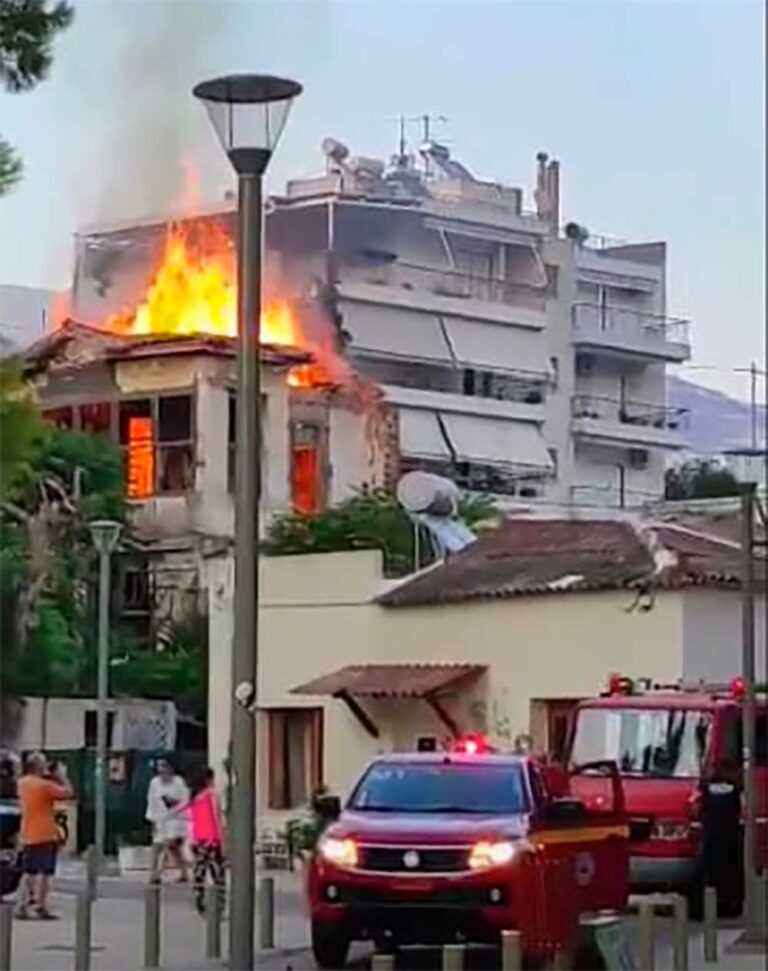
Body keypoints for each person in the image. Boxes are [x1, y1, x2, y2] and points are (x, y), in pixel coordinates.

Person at [16, 752, 72, 919]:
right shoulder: (44, 786)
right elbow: (68, 793)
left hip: (27, 832)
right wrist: (62, 776)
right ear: (39, 766)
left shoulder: (22, 783)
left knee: (29, 871)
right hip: (45, 833)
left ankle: (22, 904)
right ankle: (40, 905)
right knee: (44, 872)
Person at [184, 767, 226, 915]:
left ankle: (200, 902)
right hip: (211, 840)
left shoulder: (194, 798)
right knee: (217, 874)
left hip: (197, 841)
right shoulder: (212, 796)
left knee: (199, 872)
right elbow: (217, 819)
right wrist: (224, 841)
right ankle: (219, 906)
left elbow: (189, 820)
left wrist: (191, 840)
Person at [145, 758, 189, 884]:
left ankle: (157, 874)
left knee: (167, 845)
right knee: (163, 847)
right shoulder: (154, 783)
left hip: (176, 820)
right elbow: (151, 802)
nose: (162, 770)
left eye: (164, 766)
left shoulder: (179, 782)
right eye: (160, 767)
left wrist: (174, 803)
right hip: (160, 819)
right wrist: (152, 820)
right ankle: (182, 872)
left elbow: (186, 801)